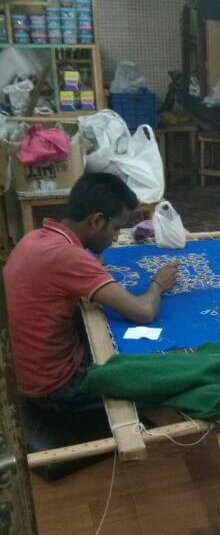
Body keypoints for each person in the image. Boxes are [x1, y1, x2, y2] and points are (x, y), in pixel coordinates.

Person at [3, 172, 179, 412]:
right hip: (58, 387)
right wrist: (158, 283)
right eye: (116, 228)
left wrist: (90, 262)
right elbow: (144, 312)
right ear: (96, 221)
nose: (116, 237)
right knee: (168, 382)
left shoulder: (36, 238)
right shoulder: (68, 257)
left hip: (30, 373)